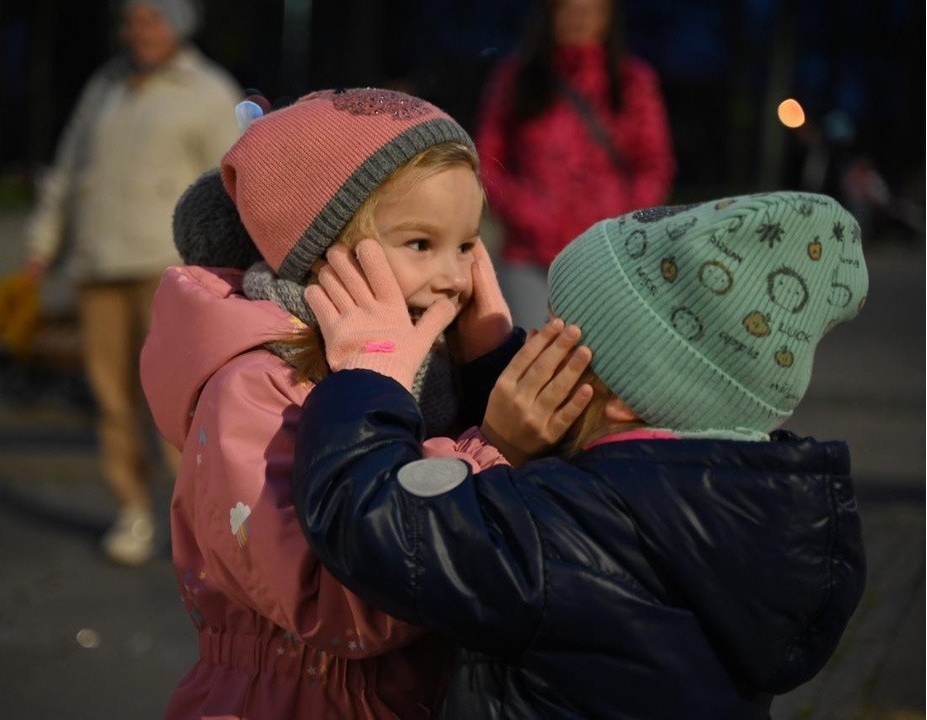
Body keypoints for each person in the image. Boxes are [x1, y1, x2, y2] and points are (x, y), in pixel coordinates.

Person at [291, 191, 869, 718]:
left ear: (626, 393)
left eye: (556, 332)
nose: (537, 341)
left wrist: (372, 376)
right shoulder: (770, 516)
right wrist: (493, 360)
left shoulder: (566, 533)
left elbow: (375, 522)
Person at [139, 87, 591, 720]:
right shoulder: (256, 388)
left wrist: (491, 366)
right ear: (320, 251)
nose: (457, 279)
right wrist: (494, 450)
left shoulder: (437, 363)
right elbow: (342, 608)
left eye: (466, 245)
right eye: (419, 245)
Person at [23, 0, 242, 564]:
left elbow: (231, 181)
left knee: (176, 402)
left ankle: (195, 519)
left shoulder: (208, 90)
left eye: (152, 19)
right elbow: (69, 170)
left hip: (167, 268)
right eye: (131, 20)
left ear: (178, 26)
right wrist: (42, 245)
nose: (138, 31)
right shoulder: (107, 84)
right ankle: (133, 512)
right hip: (99, 264)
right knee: (111, 399)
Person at [474, 0, 676, 328]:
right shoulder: (516, 78)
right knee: (531, 356)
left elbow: (654, 165)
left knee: (602, 365)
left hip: (607, 257)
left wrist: (620, 219)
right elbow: (487, 161)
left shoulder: (632, 82)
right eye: (570, 9)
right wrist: (528, 211)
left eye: (593, 10)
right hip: (529, 255)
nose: (581, 19)